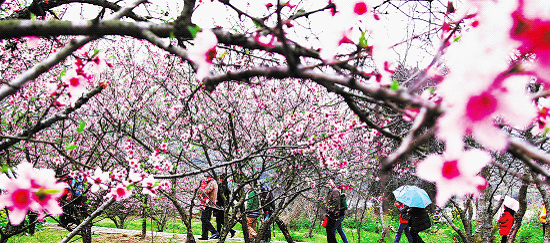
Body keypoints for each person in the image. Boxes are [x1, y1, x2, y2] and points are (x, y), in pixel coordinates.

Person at [198, 174, 219, 240]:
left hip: (208, 203)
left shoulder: (212, 183)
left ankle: (214, 232)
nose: (206, 178)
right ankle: (204, 235)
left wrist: (200, 191)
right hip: (209, 204)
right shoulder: (213, 182)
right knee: (206, 219)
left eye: (208, 177)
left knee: (203, 218)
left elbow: (205, 191)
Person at [214, 173, 236, 238]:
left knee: (219, 220)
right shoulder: (225, 186)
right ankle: (230, 231)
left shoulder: (221, 186)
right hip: (223, 205)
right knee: (221, 220)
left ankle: (219, 233)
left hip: (220, 205)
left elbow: (220, 196)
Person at [325, 177, 341, 243]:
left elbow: (336, 202)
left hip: (333, 214)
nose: (329, 183)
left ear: (333, 182)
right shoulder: (331, 191)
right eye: (328, 182)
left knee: (330, 231)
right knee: (329, 231)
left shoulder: (335, 191)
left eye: (330, 182)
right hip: (330, 213)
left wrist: (330, 211)